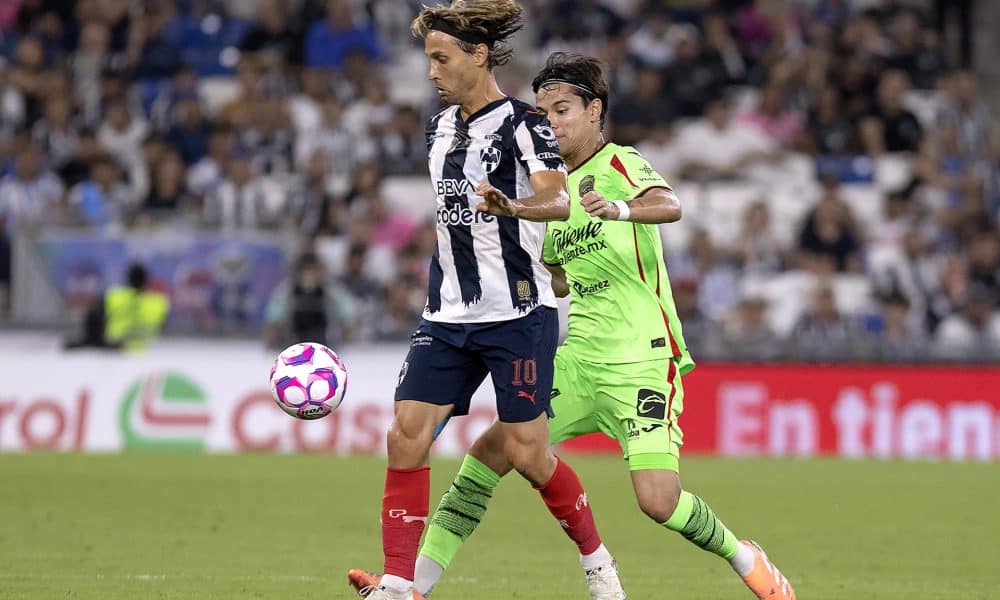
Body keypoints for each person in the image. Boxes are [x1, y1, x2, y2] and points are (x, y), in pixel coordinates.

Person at [351, 52, 796, 599]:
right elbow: (558, 277)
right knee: (488, 457)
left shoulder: (619, 163)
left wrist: (619, 210)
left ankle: (745, 556)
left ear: (594, 111)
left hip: (642, 359)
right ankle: (411, 587)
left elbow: (669, 204)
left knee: (659, 502)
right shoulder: (547, 193)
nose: (550, 123)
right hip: (579, 359)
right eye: (542, 113)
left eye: (562, 111)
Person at [347, 5, 623, 600]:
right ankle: (397, 582)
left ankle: (597, 561)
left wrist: (512, 207)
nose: (431, 71)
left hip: (518, 313)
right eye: (428, 59)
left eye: (441, 58)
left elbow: (559, 202)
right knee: (405, 435)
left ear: (478, 55)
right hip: (447, 313)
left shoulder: (526, 124)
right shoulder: (438, 128)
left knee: (528, 454)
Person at [65, 263, 170, 352]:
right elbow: (164, 328)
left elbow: (94, 317)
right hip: (145, 348)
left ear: (128, 279)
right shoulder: (158, 302)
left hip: (116, 348)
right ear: (146, 280)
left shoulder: (114, 296)